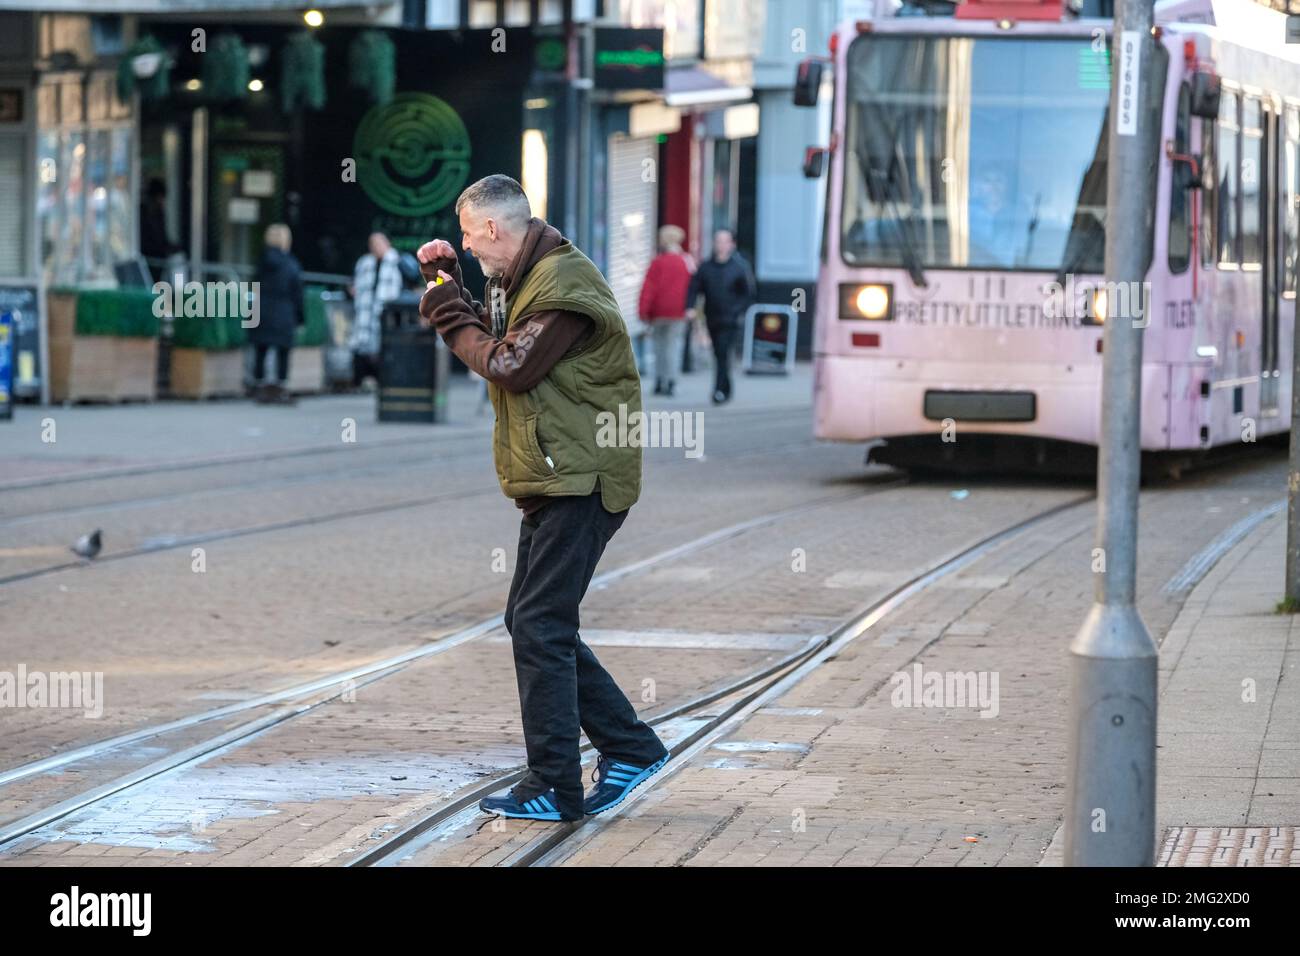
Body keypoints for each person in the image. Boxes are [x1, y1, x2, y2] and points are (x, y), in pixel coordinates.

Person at [416, 174, 669, 823]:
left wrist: (447, 318)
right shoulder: (520, 279)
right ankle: (631, 746)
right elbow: (499, 333)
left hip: (584, 480)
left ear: (495, 230)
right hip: (556, 478)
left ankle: (556, 783)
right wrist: (449, 283)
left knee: (540, 624)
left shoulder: (562, 284)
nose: (472, 250)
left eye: (471, 241)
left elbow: (510, 364)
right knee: (531, 620)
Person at [686, 228, 755, 404]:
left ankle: (718, 390)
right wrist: (690, 307)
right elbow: (694, 288)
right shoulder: (706, 267)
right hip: (712, 317)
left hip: (731, 319)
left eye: (725, 241)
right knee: (718, 353)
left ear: (732, 244)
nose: (721, 245)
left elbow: (748, 293)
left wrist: (738, 311)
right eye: (718, 241)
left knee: (723, 352)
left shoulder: (739, 267)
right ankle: (726, 386)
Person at [250, 223, 304, 405]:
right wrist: (300, 317)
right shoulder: (291, 263)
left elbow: (254, 284)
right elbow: (297, 292)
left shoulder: (262, 261)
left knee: (261, 349)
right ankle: (281, 386)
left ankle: (258, 385)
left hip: (263, 309)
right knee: (283, 351)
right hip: (284, 311)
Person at [637, 224, 694, 397]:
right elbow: (693, 287)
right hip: (679, 311)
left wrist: (643, 311)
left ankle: (659, 380)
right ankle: (671, 380)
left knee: (659, 346)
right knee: (673, 346)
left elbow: (649, 288)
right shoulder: (686, 261)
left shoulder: (657, 262)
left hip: (658, 312)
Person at [348, 231, 403, 388]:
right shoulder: (364, 263)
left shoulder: (397, 262)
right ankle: (360, 381)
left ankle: (383, 380)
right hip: (365, 311)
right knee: (362, 345)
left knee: (383, 348)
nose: (376, 247)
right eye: (373, 244)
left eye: (379, 243)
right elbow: (354, 283)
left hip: (387, 313)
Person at [139, 178, 182, 281]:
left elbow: (162, 237)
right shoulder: (143, 213)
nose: (162, 201)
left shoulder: (159, 212)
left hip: (158, 258)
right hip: (148, 258)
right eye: (160, 198)